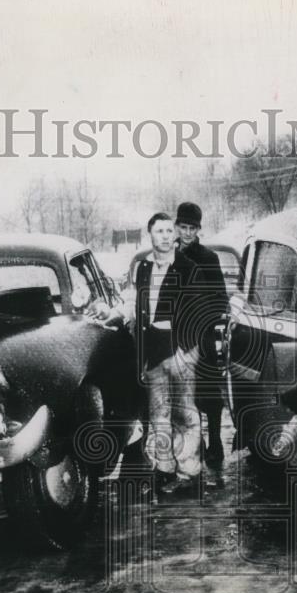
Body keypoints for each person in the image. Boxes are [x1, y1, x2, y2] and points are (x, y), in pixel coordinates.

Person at [97, 212, 201, 495]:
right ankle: (165, 469)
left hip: (182, 351)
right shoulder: (143, 268)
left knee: (186, 415)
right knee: (159, 415)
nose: (166, 236)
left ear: (175, 235)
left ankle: (189, 472)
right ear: (151, 235)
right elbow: (132, 302)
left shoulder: (189, 268)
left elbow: (201, 314)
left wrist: (185, 351)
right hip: (152, 350)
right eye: (160, 231)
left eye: (170, 231)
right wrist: (113, 313)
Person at [174, 201, 229, 484]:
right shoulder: (167, 256)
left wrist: (206, 320)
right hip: (175, 337)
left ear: (199, 229)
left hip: (203, 335)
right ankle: (195, 446)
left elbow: (221, 298)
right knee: (184, 396)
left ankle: (216, 440)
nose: (186, 232)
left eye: (191, 227)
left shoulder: (208, 258)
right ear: (176, 227)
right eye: (182, 226)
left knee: (209, 393)